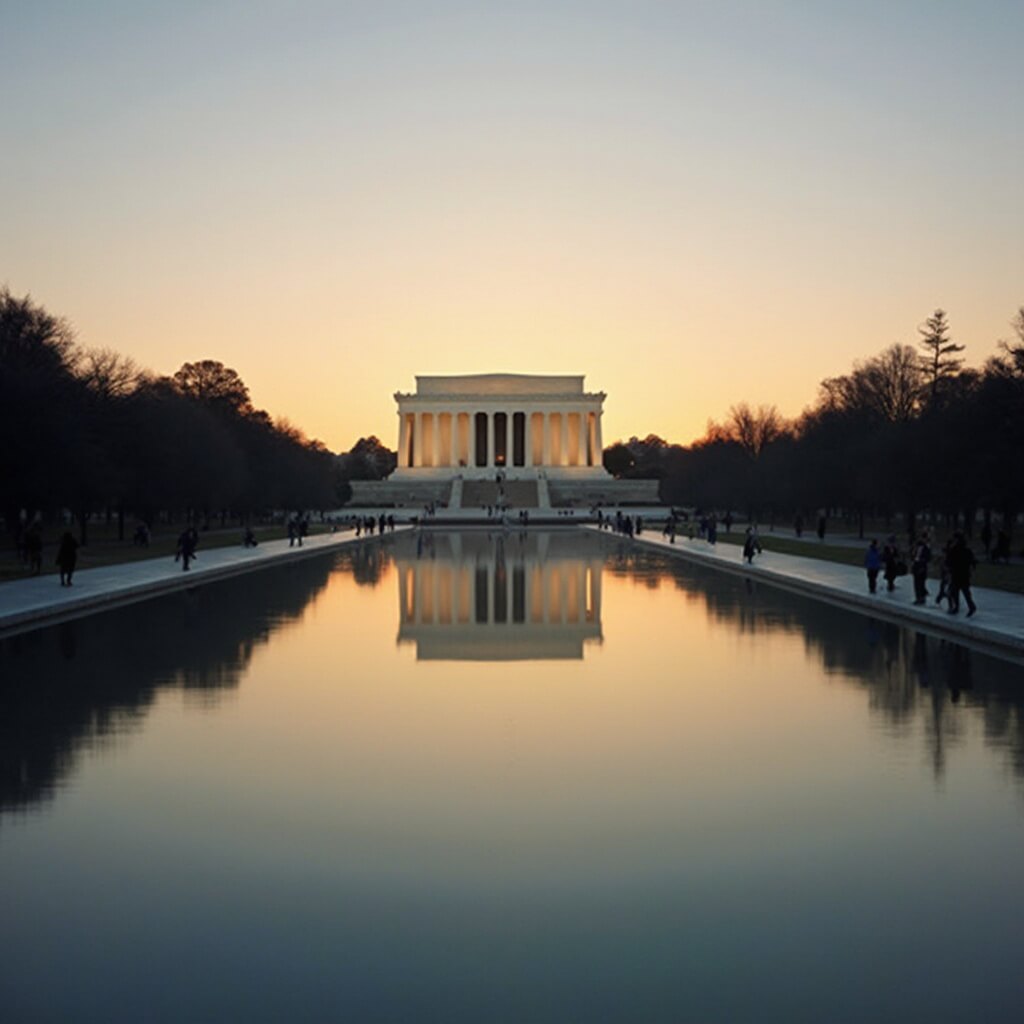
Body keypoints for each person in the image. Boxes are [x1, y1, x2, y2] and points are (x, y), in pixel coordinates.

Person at [946, 531, 977, 617]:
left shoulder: (954, 550)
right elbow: (972, 561)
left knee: (956, 591)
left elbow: (949, 561)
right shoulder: (967, 550)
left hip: (957, 573)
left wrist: (949, 569)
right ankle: (971, 606)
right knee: (965, 591)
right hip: (964, 573)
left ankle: (957, 607)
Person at [911, 533, 931, 605]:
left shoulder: (926, 548)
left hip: (922, 566)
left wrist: (922, 561)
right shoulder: (916, 546)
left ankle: (921, 597)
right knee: (916, 583)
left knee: (921, 583)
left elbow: (928, 558)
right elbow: (912, 555)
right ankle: (918, 597)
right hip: (916, 565)